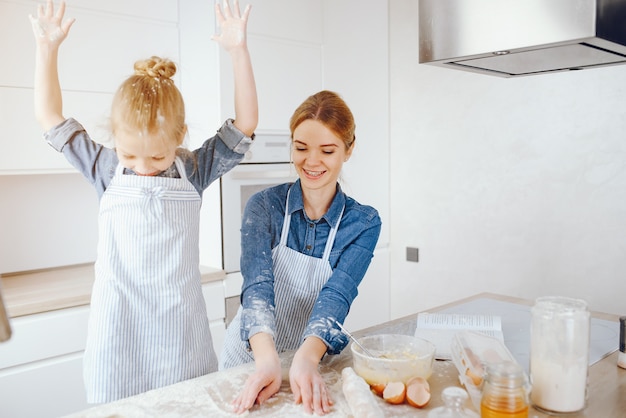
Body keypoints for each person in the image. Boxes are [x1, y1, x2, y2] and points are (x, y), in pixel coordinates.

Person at [29, 0, 257, 403]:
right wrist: (47, 49)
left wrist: (238, 52)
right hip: (119, 330)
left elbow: (246, 124)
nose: (144, 167)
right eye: (129, 155)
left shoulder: (195, 169)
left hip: (179, 331)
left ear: (181, 137)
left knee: (187, 406)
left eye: (157, 157)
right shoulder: (103, 167)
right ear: (114, 139)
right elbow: (49, 115)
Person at [220, 90, 382, 415]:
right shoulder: (264, 207)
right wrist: (267, 362)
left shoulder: (363, 223)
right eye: (301, 148)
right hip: (249, 360)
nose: (311, 161)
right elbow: (257, 290)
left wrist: (305, 360)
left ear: (348, 151)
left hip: (308, 362)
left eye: (327, 150)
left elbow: (337, 296)